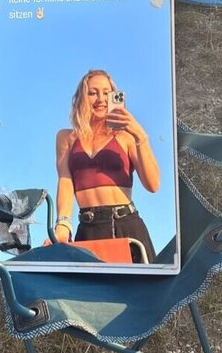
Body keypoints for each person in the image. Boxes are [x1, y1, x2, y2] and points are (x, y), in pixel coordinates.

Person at [53, 70, 160, 262]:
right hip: (88, 228)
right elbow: (65, 181)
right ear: (81, 98)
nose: (100, 99)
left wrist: (140, 135)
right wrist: (63, 224)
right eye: (92, 93)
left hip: (126, 225)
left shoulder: (126, 137)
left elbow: (153, 185)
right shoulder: (66, 137)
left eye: (106, 93)